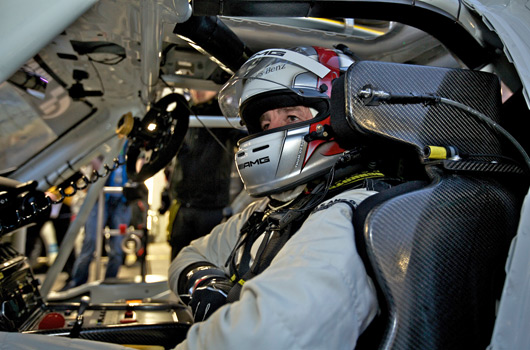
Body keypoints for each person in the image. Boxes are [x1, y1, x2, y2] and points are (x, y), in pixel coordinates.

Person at [167, 46, 400, 349]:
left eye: (291, 116)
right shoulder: (268, 210)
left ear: (340, 121)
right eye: (265, 124)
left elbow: (262, 337)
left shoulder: (347, 214)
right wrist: (207, 282)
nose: (270, 133)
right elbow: (187, 256)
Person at [163, 89, 245, 260]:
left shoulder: (223, 112)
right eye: (193, 87)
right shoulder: (183, 112)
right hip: (182, 204)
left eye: (202, 87)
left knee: (208, 260)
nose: (197, 92)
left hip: (211, 207)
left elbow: (243, 135)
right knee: (178, 260)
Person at [64, 151, 132, 290]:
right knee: (90, 242)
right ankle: (78, 284)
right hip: (98, 195)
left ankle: (109, 285)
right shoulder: (106, 139)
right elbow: (91, 158)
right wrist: (99, 163)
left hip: (121, 199)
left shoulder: (130, 144)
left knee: (118, 247)